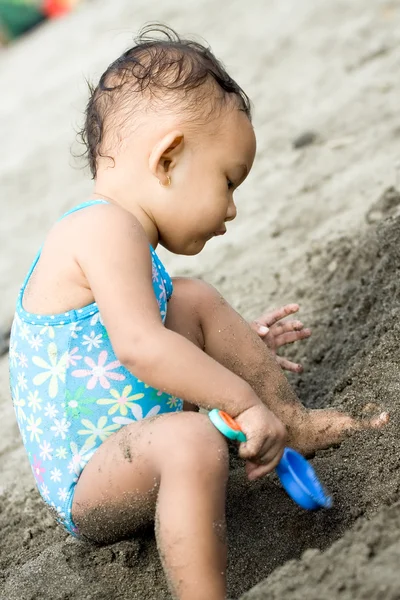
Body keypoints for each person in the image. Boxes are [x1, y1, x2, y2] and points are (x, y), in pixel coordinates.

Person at [9, 24, 388, 600]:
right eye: (228, 181)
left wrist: (236, 347)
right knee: (194, 441)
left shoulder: (124, 235)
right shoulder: (104, 229)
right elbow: (140, 346)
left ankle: (293, 422)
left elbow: (149, 335)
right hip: (96, 477)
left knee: (193, 298)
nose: (232, 208)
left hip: (136, 430)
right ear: (169, 159)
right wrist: (238, 399)